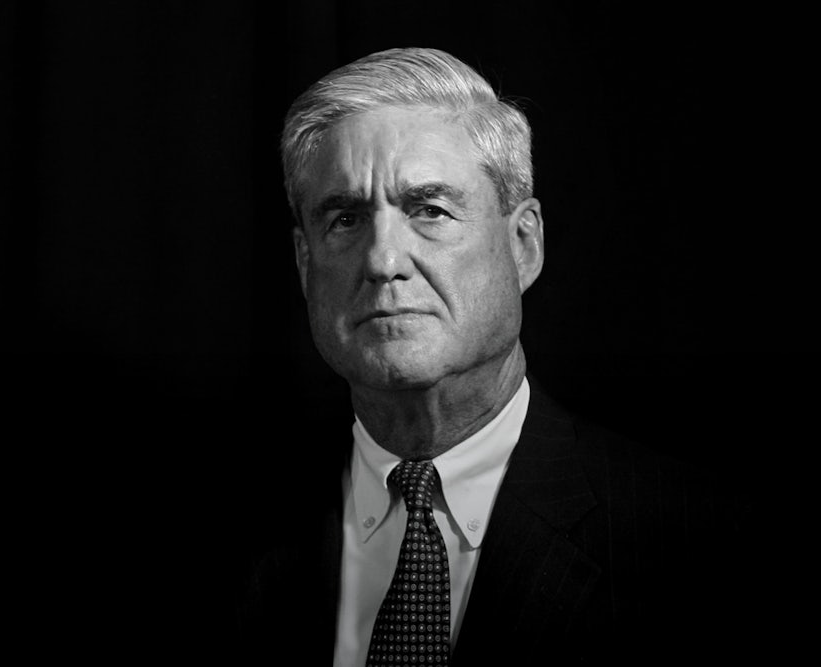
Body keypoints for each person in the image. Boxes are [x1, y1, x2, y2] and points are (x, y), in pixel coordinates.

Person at [236, 47, 752, 666]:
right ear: (304, 263)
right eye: (346, 219)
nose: (383, 261)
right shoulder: (219, 530)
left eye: (430, 210)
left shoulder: (704, 542)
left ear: (524, 245)